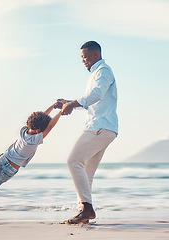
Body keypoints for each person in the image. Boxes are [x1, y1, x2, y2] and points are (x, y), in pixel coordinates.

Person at [58, 41, 118, 224]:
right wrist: (69, 103)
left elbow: (97, 94)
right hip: (105, 127)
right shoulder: (97, 73)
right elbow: (93, 100)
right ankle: (84, 213)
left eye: (84, 57)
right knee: (86, 172)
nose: (83, 61)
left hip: (99, 127)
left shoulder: (103, 71)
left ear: (95, 54)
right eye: (81, 58)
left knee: (73, 161)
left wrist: (72, 104)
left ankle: (87, 209)